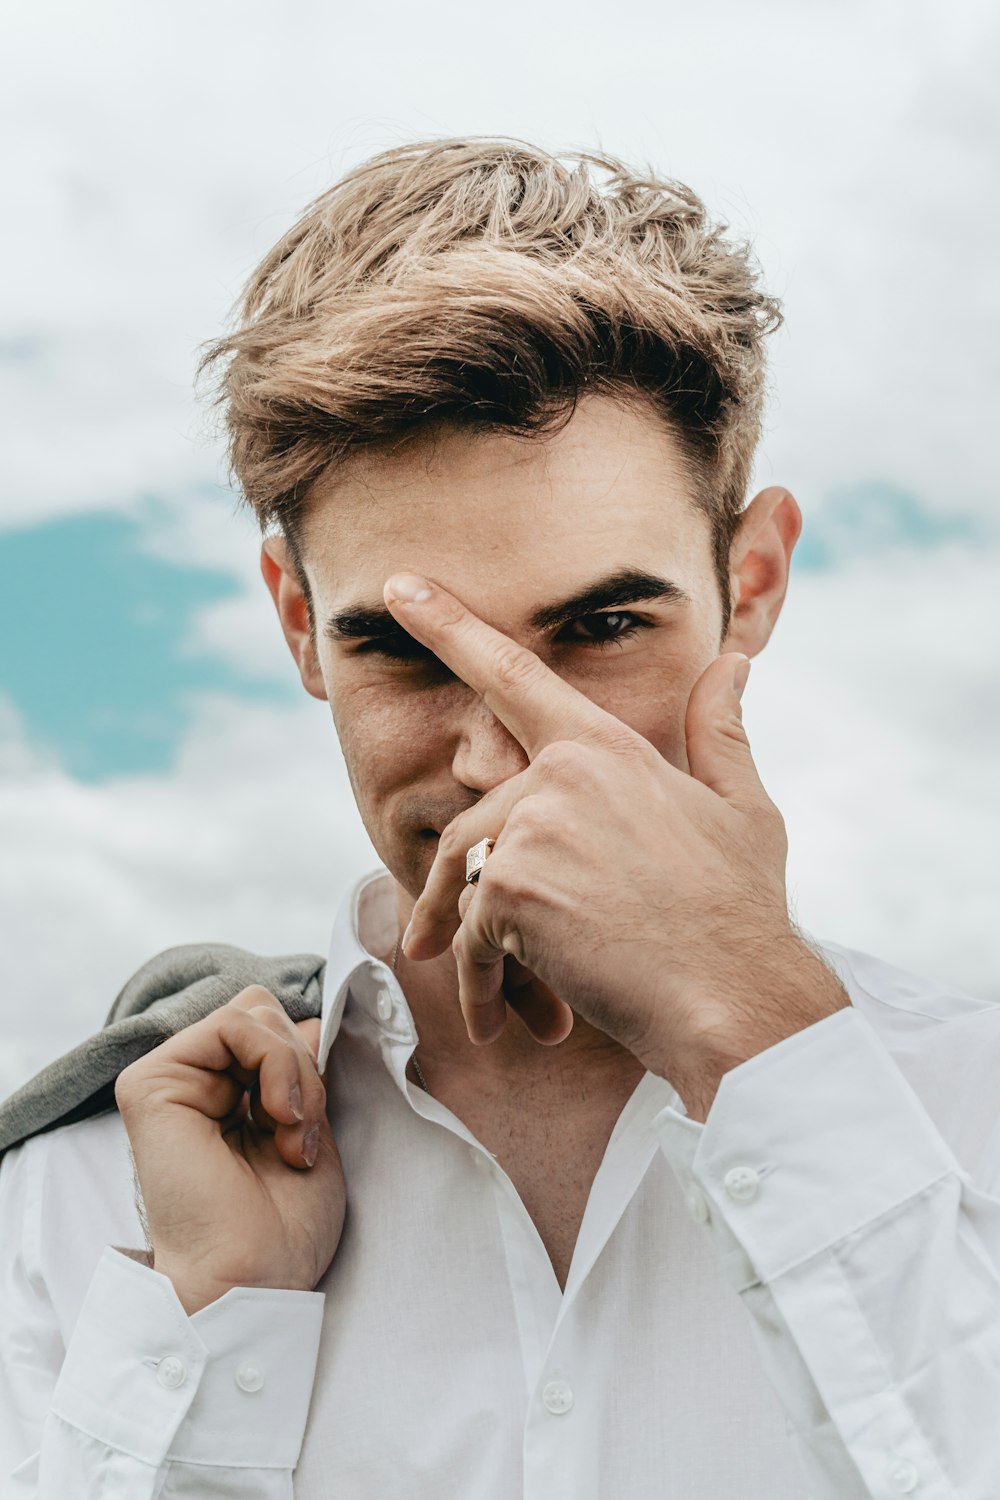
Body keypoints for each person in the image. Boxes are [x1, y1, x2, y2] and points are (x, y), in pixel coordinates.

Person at [1, 137, 997, 1499]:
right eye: (403, 652)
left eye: (598, 628)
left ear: (750, 581)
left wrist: (765, 1039)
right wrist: (213, 1332)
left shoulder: (973, 1118)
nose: (495, 757)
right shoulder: (84, 1200)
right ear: (298, 626)